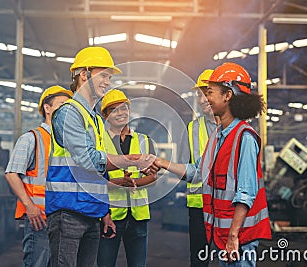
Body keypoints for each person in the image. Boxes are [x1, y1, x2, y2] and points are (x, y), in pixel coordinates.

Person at [45, 46, 157, 267]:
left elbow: (98, 172)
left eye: (109, 76)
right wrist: (134, 159)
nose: (108, 81)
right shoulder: (68, 113)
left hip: (91, 213)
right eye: (103, 75)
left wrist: (104, 212)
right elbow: (88, 160)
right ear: (84, 74)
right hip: (68, 213)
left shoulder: (95, 119)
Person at [154, 62, 272, 266]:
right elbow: (197, 171)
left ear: (227, 95)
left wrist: (233, 236)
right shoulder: (218, 136)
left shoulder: (244, 137)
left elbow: (246, 192)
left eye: (210, 92)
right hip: (222, 234)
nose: (206, 99)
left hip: (239, 238)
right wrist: (160, 162)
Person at [5, 85, 73, 267]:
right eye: (62, 104)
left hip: (65, 219)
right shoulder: (31, 138)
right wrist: (30, 206)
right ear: (47, 108)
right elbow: (11, 174)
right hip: (40, 218)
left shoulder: (70, 143)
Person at [97, 89, 157, 267]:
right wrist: (118, 184)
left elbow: (153, 176)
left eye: (123, 108)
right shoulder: (99, 142)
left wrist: (133, 183)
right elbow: (93, 180)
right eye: (114, 109)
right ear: (106, 115)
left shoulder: (144, 140)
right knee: (105, 264)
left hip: (138, 216)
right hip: (110, 215)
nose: (120, 113)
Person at [180, 69, 218, 267]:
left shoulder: (237, 127)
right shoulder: (192, 127)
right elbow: (187, 165)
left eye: (207, 93)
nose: (202, 100)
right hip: (199, 206)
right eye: (199, 95)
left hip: (227, 205)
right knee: (199, 259)